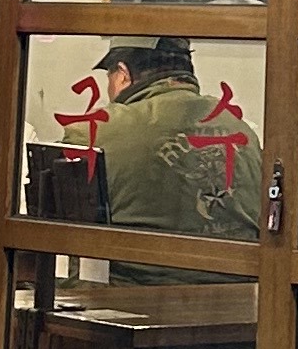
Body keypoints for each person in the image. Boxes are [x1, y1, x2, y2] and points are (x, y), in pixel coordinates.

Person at [96, 37, 262, 240]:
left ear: (123, 74)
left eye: (109, 76)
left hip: (141, 260)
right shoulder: (241, 129)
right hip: (236, 260)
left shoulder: (96, 132)